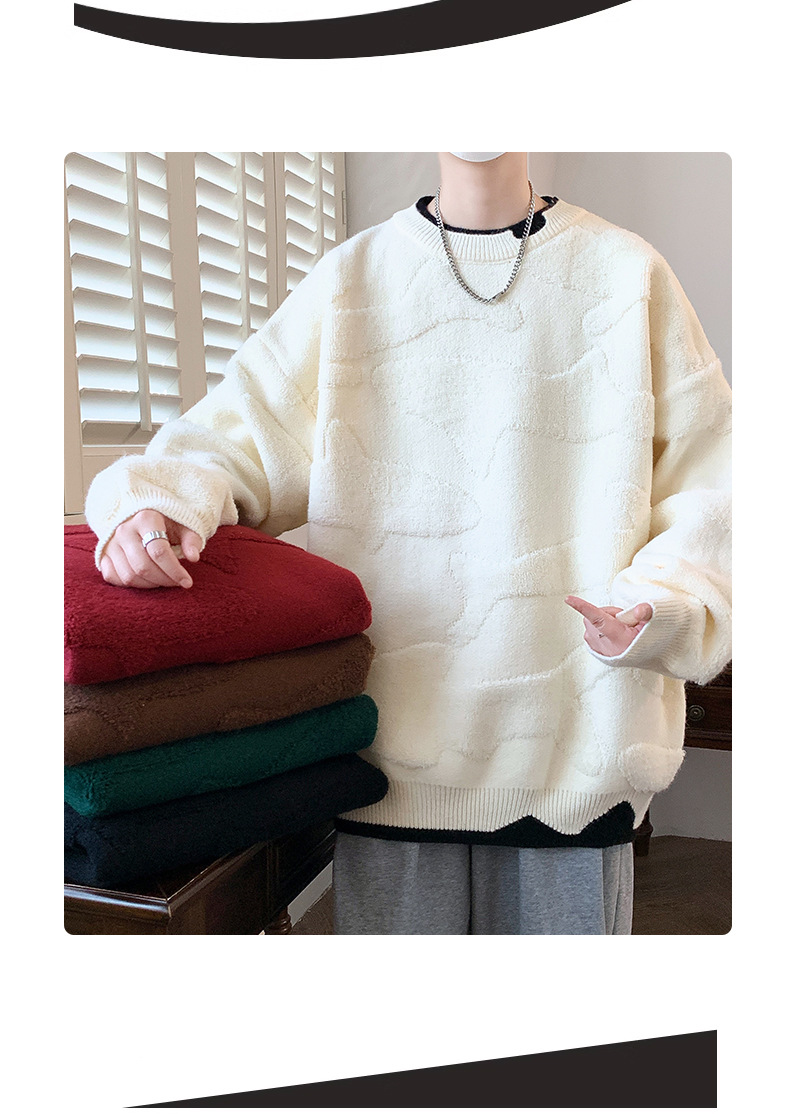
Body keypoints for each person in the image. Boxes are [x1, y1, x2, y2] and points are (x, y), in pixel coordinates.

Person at [85, 152, 732, 935]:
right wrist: (152, 505)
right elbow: (236, 433)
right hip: (392, 750)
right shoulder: (354, 278)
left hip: (576, 748)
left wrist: (664, 604)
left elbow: (717, 484)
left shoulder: (628, 275)